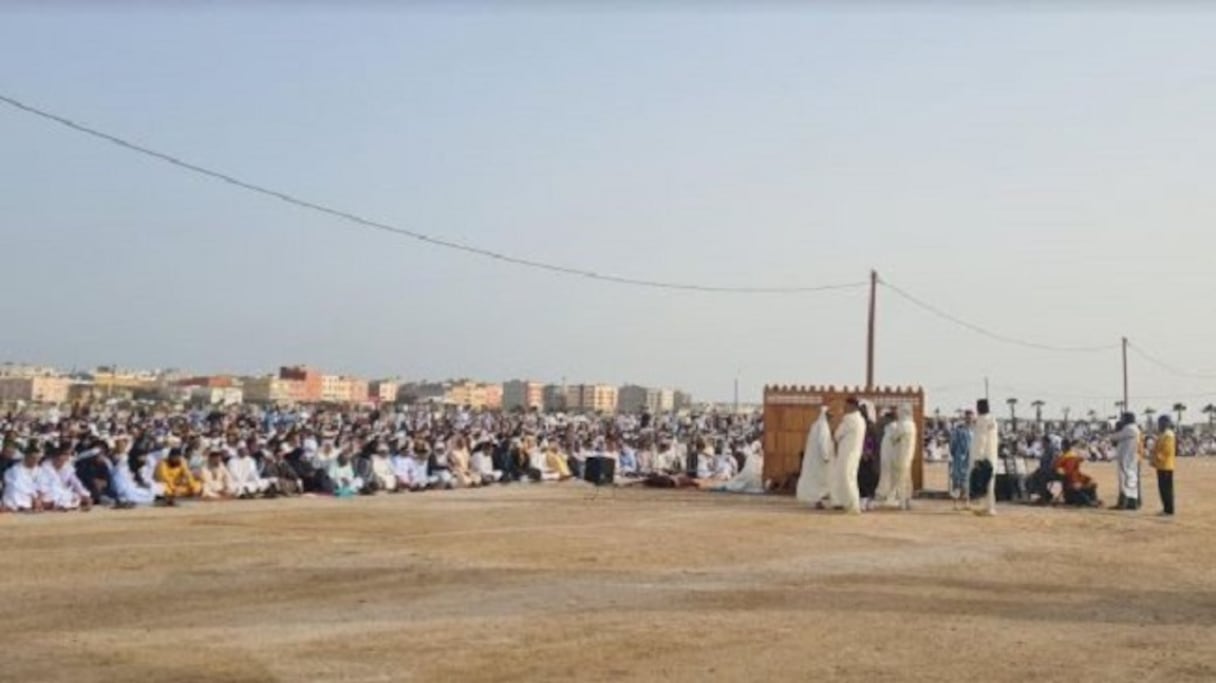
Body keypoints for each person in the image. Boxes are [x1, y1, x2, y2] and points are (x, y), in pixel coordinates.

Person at [833, 398, 866, 514]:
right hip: (854, 453)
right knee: (851, 477)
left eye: (846, 405)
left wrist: (839, 421)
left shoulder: (849, 419)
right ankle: (851, 504)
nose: (844, 408)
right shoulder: (861, 420)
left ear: (852, 406)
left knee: (846, 477)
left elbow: (837, 435)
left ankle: (851, 505)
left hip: (847, 453)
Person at [796, 410, 833, 509]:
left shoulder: (815, 425)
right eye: (829, 416)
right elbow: (823, 442)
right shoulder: (823, 426)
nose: (831, 418)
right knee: (820, 481)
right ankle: (818, 501)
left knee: (816, 480)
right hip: (820, 459)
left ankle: (818, 500)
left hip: (814, 459)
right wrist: (826, 456)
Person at [882, 406, 917, 510]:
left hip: (901, 455)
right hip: (909, 455)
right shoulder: (912, 425)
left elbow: (893, 438)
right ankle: (908, 500)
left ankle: (902, 503)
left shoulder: (903, 425)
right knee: (908, 479)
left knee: (901, 479)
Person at [968, 399, 999, 516]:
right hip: (992, 454)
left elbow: (981, 440)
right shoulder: (993, 420)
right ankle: (989, 506)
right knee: (990, 481)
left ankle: (990, 508)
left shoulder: (981, 421)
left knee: (984, 482)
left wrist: (978, 457)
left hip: (983, 456)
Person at [39, 447, 92, 511]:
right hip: (48, 493)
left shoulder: (68, 467)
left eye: (63, 460)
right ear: (54, 458)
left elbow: (76, 483)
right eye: (59, 459)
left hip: (63, 493)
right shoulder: (45, 467)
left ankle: (64, 505)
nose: (61, 462)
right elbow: (42, 485)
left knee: (76, 496)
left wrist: (85, 495)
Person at [1054, 440, 1101, 507]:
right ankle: (1091, 501)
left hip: (1074, 479)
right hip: (1071, 480)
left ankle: (1092, 500)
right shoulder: (1067, 457)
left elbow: (1057, 468)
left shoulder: (1069, 456)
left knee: (1089, 483)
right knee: (1079, 485)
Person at [1111, 412, 1142, 510]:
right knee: (1131, 481)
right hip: (1131, 458)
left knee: (1124, 481)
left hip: (1126, 459)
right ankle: (1132, 503)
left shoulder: (1129, 428)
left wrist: (1116, 429)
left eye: (1123, 419)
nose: (1122, 420)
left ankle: (1123, 503)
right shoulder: (1134, 428)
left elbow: (1114, 437)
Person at [2, 447, 44, 512]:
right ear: (26, 457)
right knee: (15, 489)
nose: (35, 460)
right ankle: (20, 507)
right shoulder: (16, 469)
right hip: (18, 492)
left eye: (37, 458)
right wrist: (34, 497)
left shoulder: (39, 470)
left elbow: (42, 486)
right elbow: (19, 485)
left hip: (33, 496)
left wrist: (39, 499)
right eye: (33, 457)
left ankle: (29, 505)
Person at [1151, 415, 1176, 516]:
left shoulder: (1168, 435)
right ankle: (1166, 508)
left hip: (1166, 466)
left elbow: (1167, 450)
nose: (1159, 425)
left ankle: (1169, 510)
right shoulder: (1163, 434)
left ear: (1166, 423)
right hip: (1161, 465)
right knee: (1162, 489)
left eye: (1161, 422)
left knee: (1166, 489)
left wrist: (1157, 457)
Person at [948, 412, 973, 507]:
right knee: (957, 480)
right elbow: (952, 444)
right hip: (959, 458)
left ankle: (967, 502)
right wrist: (955, 453)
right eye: (967, 417)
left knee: (967, 480)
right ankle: (955, 503)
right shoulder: (959, 430)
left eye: (970, 418)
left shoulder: (974, 430)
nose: (969, 419)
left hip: (969, 458)